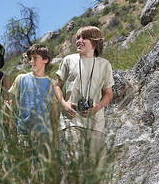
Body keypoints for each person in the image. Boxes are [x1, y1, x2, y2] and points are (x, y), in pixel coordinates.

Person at [54, 26, 114, 161]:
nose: (79, 41)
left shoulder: (105, 65)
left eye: (84, 38)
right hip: (71, 120)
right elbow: (57, 86)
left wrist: (97, 107)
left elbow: (108, 94)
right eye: (78, 38)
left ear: (95, 42)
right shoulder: (68, 60)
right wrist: (64, 104)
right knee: (74, 164)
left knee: (94, 167)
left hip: (96, 123)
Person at [9, 44, 59, 147]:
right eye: (30, 59)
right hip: (23, 133)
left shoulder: (52, 84)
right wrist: (11, 131)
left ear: (45, 60)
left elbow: (54, 113)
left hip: (44, 134)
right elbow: (11, 106)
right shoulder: (21, 79)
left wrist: (55, 138)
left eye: (35, 58)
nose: (31, 61)